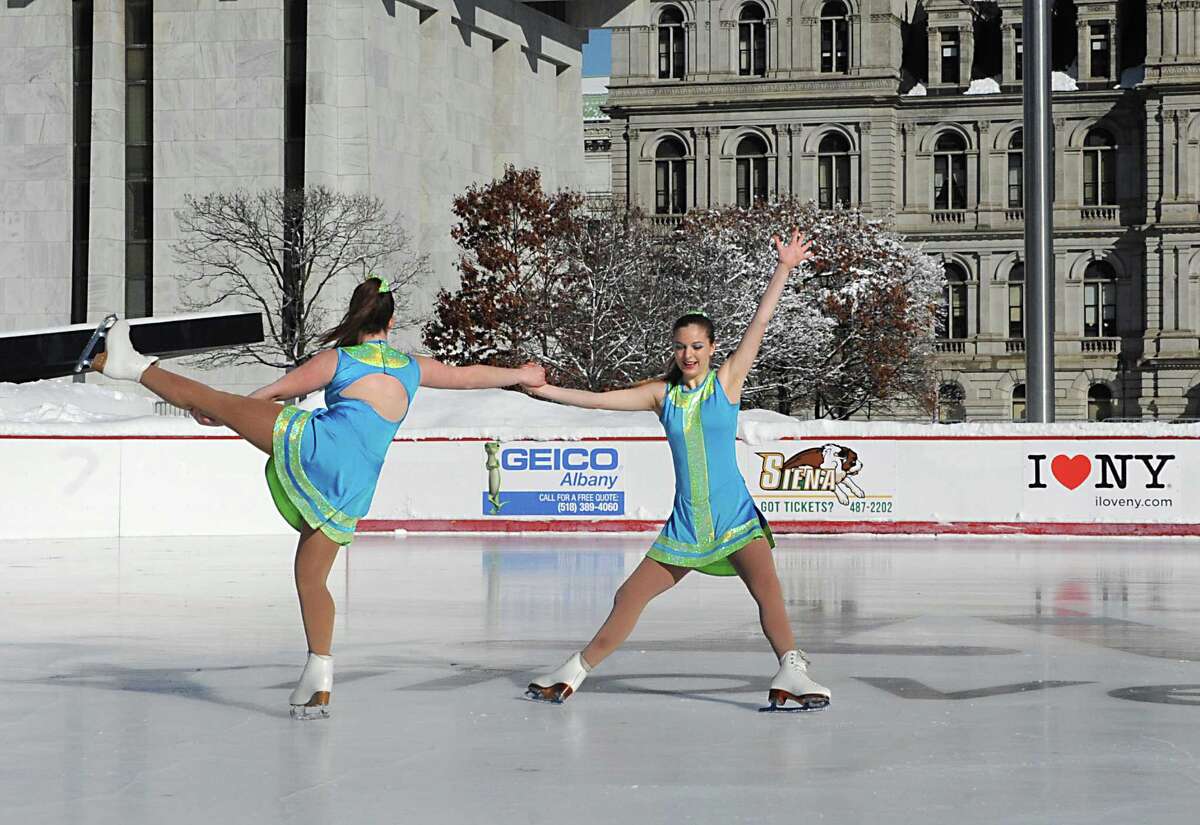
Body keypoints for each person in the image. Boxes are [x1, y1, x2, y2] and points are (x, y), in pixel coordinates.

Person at [88, 276, 545, 719]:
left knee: (217, 398)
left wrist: (234, 411)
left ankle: (130, 366)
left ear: (357, 314)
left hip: (316, 446)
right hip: (355, 484)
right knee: (311, 577)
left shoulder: (338, 360)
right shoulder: (413, 367)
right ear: (391, 319)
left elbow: (278, 392)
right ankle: (319, 673)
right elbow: (469, 377)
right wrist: (520, 374)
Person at [525, 228, 830, 711]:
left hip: (734, 517)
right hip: (686, 527)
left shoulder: (726, 382)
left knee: (768, 594)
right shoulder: (661, 394)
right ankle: (573, 672)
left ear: (711, 349)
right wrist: (544, 391)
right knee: (629, 596)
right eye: (680, 346)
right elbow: (599, 401)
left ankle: (792, 671)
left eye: (697, 346)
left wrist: (784, 268)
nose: (688, 354)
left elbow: (760, 323)